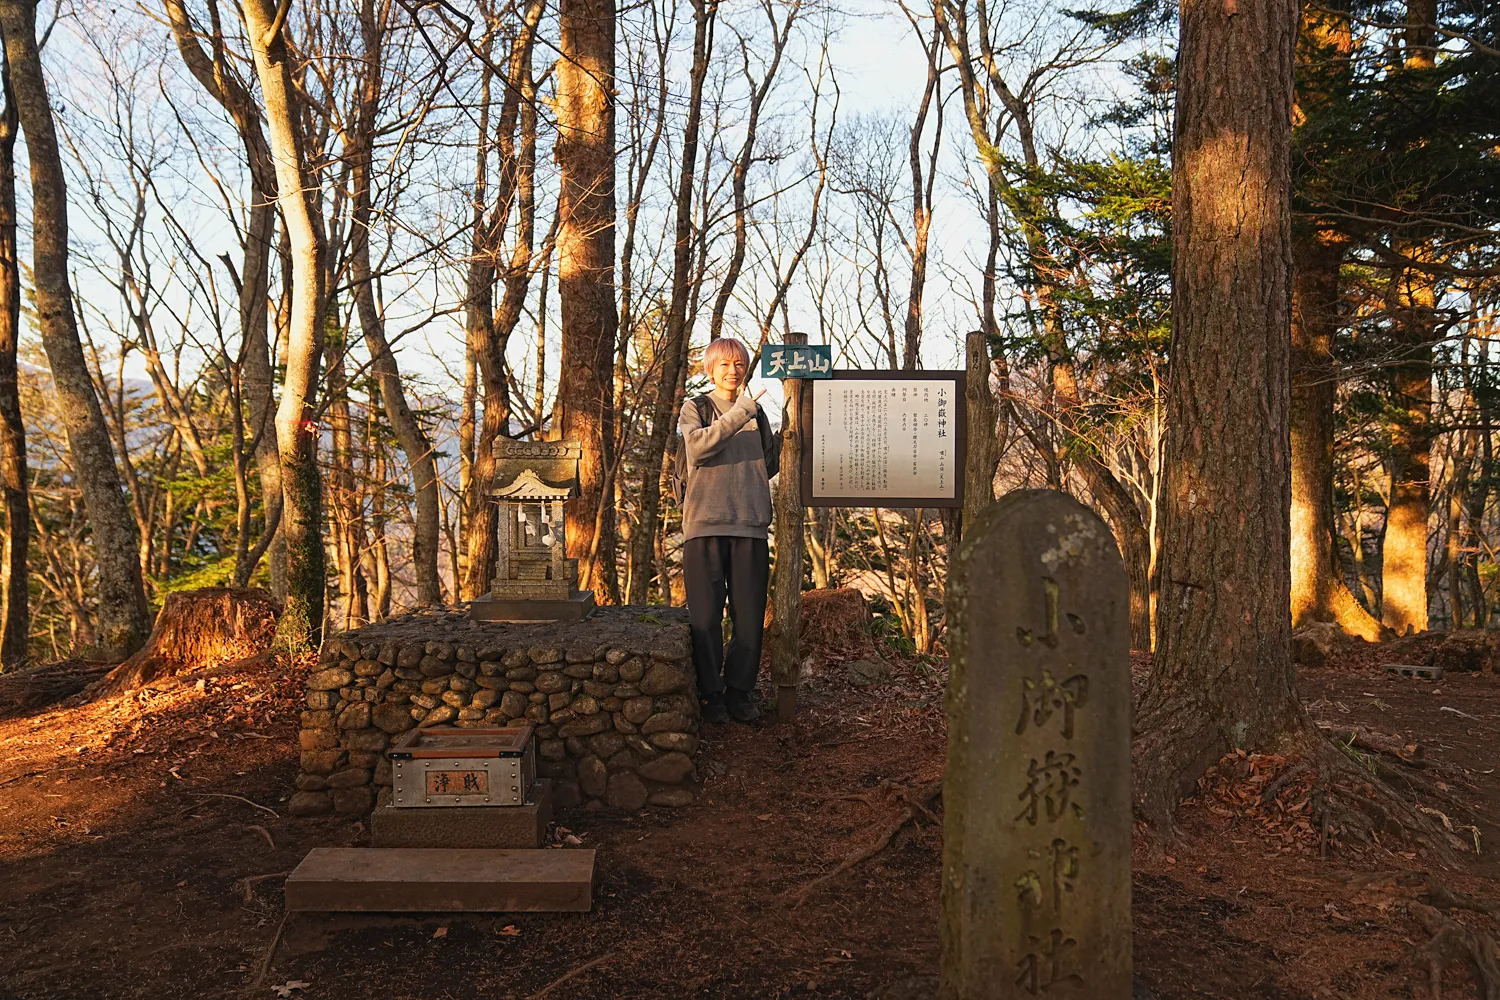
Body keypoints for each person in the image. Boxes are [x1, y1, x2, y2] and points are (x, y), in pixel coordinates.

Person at [679, 336, 781, 724]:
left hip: (751, 525)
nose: (733, 371)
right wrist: (741, 412)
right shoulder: (697, 408)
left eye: (739, 364)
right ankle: (711, 694)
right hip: (704, 525)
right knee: (705, 618)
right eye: (724, 364)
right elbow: (697, 449)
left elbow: (767, 465)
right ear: (710, 369)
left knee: (750, 615)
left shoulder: (757, 415)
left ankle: (740, 691)